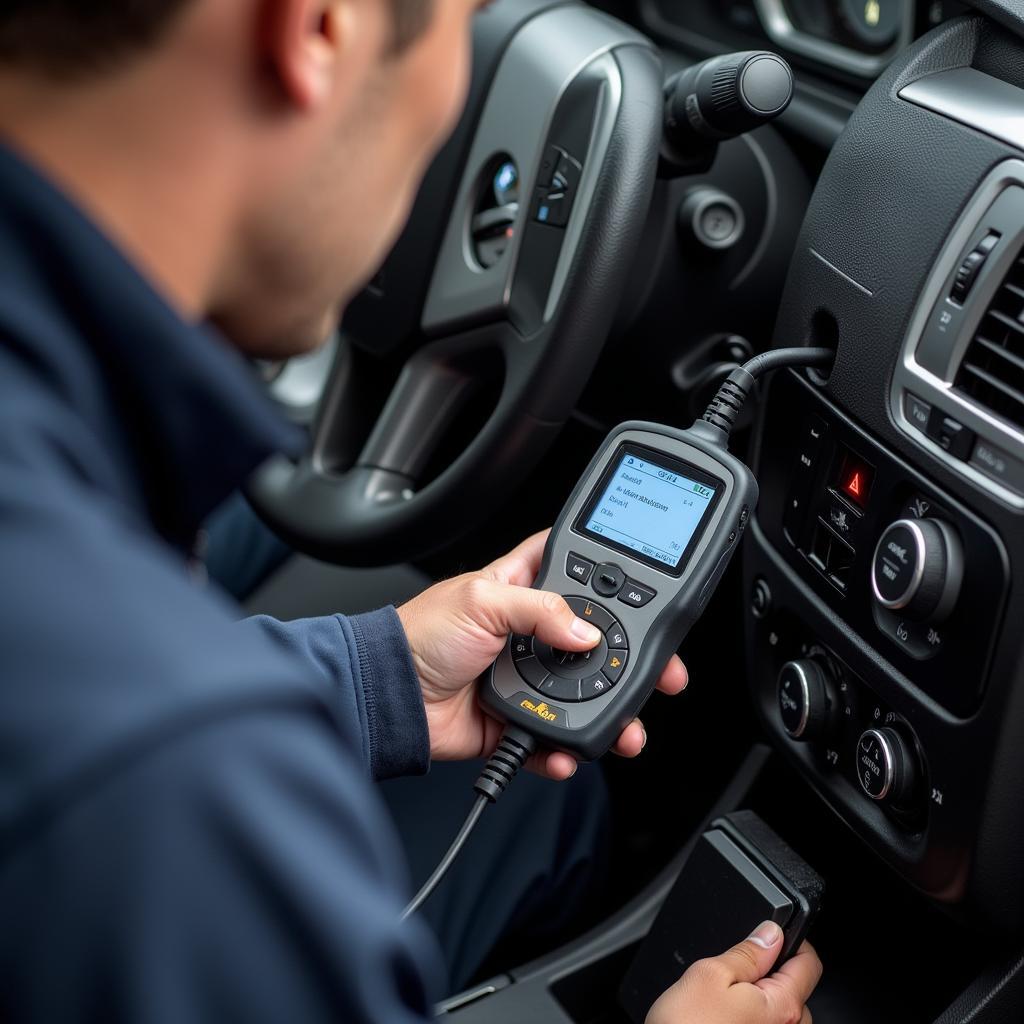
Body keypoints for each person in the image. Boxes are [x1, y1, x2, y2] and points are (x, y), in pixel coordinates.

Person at [0, 0, 822, 1021]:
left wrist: (374, 676)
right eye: (464, 26)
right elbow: (139, 739)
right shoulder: (185, 798)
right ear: (316, 28)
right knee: (553, 801)